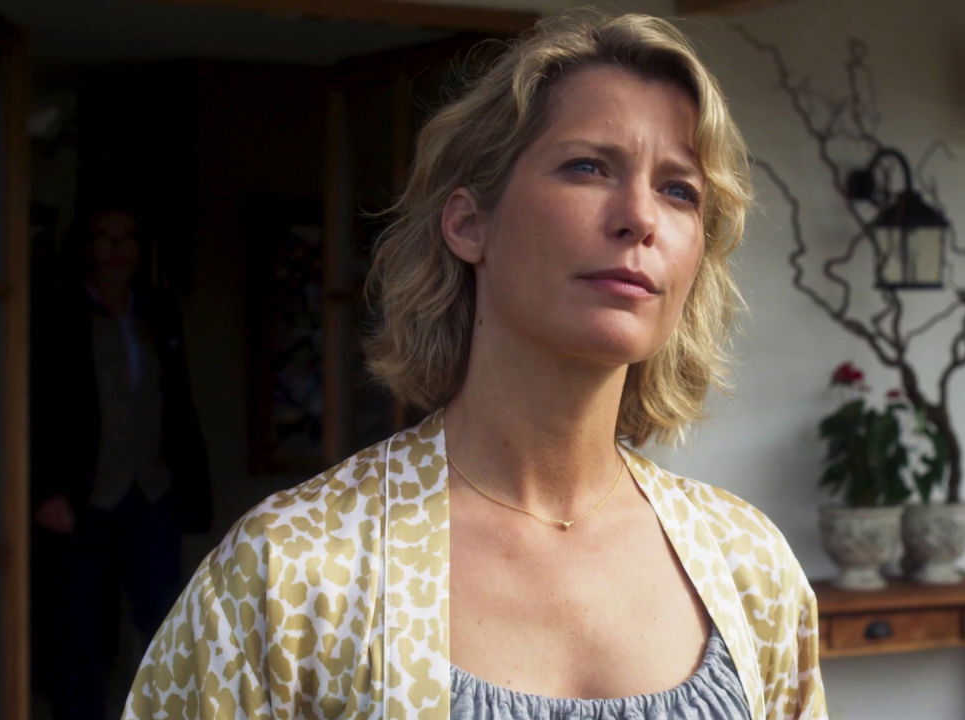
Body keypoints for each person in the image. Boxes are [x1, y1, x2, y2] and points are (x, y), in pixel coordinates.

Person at [124, 10, 827, 720]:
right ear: (468, 223)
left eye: (679, 190)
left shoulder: (748, 567)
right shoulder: (294, 571)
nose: (640, 217)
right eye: (589, 166)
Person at [30, 204, 211, 720]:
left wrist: (186, 489)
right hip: (82, 496)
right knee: (79, 635)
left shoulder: (156, 312)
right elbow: (32, 404)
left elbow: (177, 402)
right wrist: (42, 490)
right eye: (104, 236)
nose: (116, 247)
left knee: (168, 628)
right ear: (85, 247)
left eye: (127, 237)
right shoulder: (57, 312)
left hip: (151, 492)